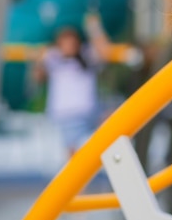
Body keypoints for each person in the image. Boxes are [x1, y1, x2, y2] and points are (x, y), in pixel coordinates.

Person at [33, 13, 112, 157]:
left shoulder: (86, 57)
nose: (70, 45)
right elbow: (37, 77)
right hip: (65, 118)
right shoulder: (53, 59)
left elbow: (105, 52)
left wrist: (94, 28)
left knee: (109, 124)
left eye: (72, 40)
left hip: (88, 116)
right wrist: (38, 60)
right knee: (72, 157)